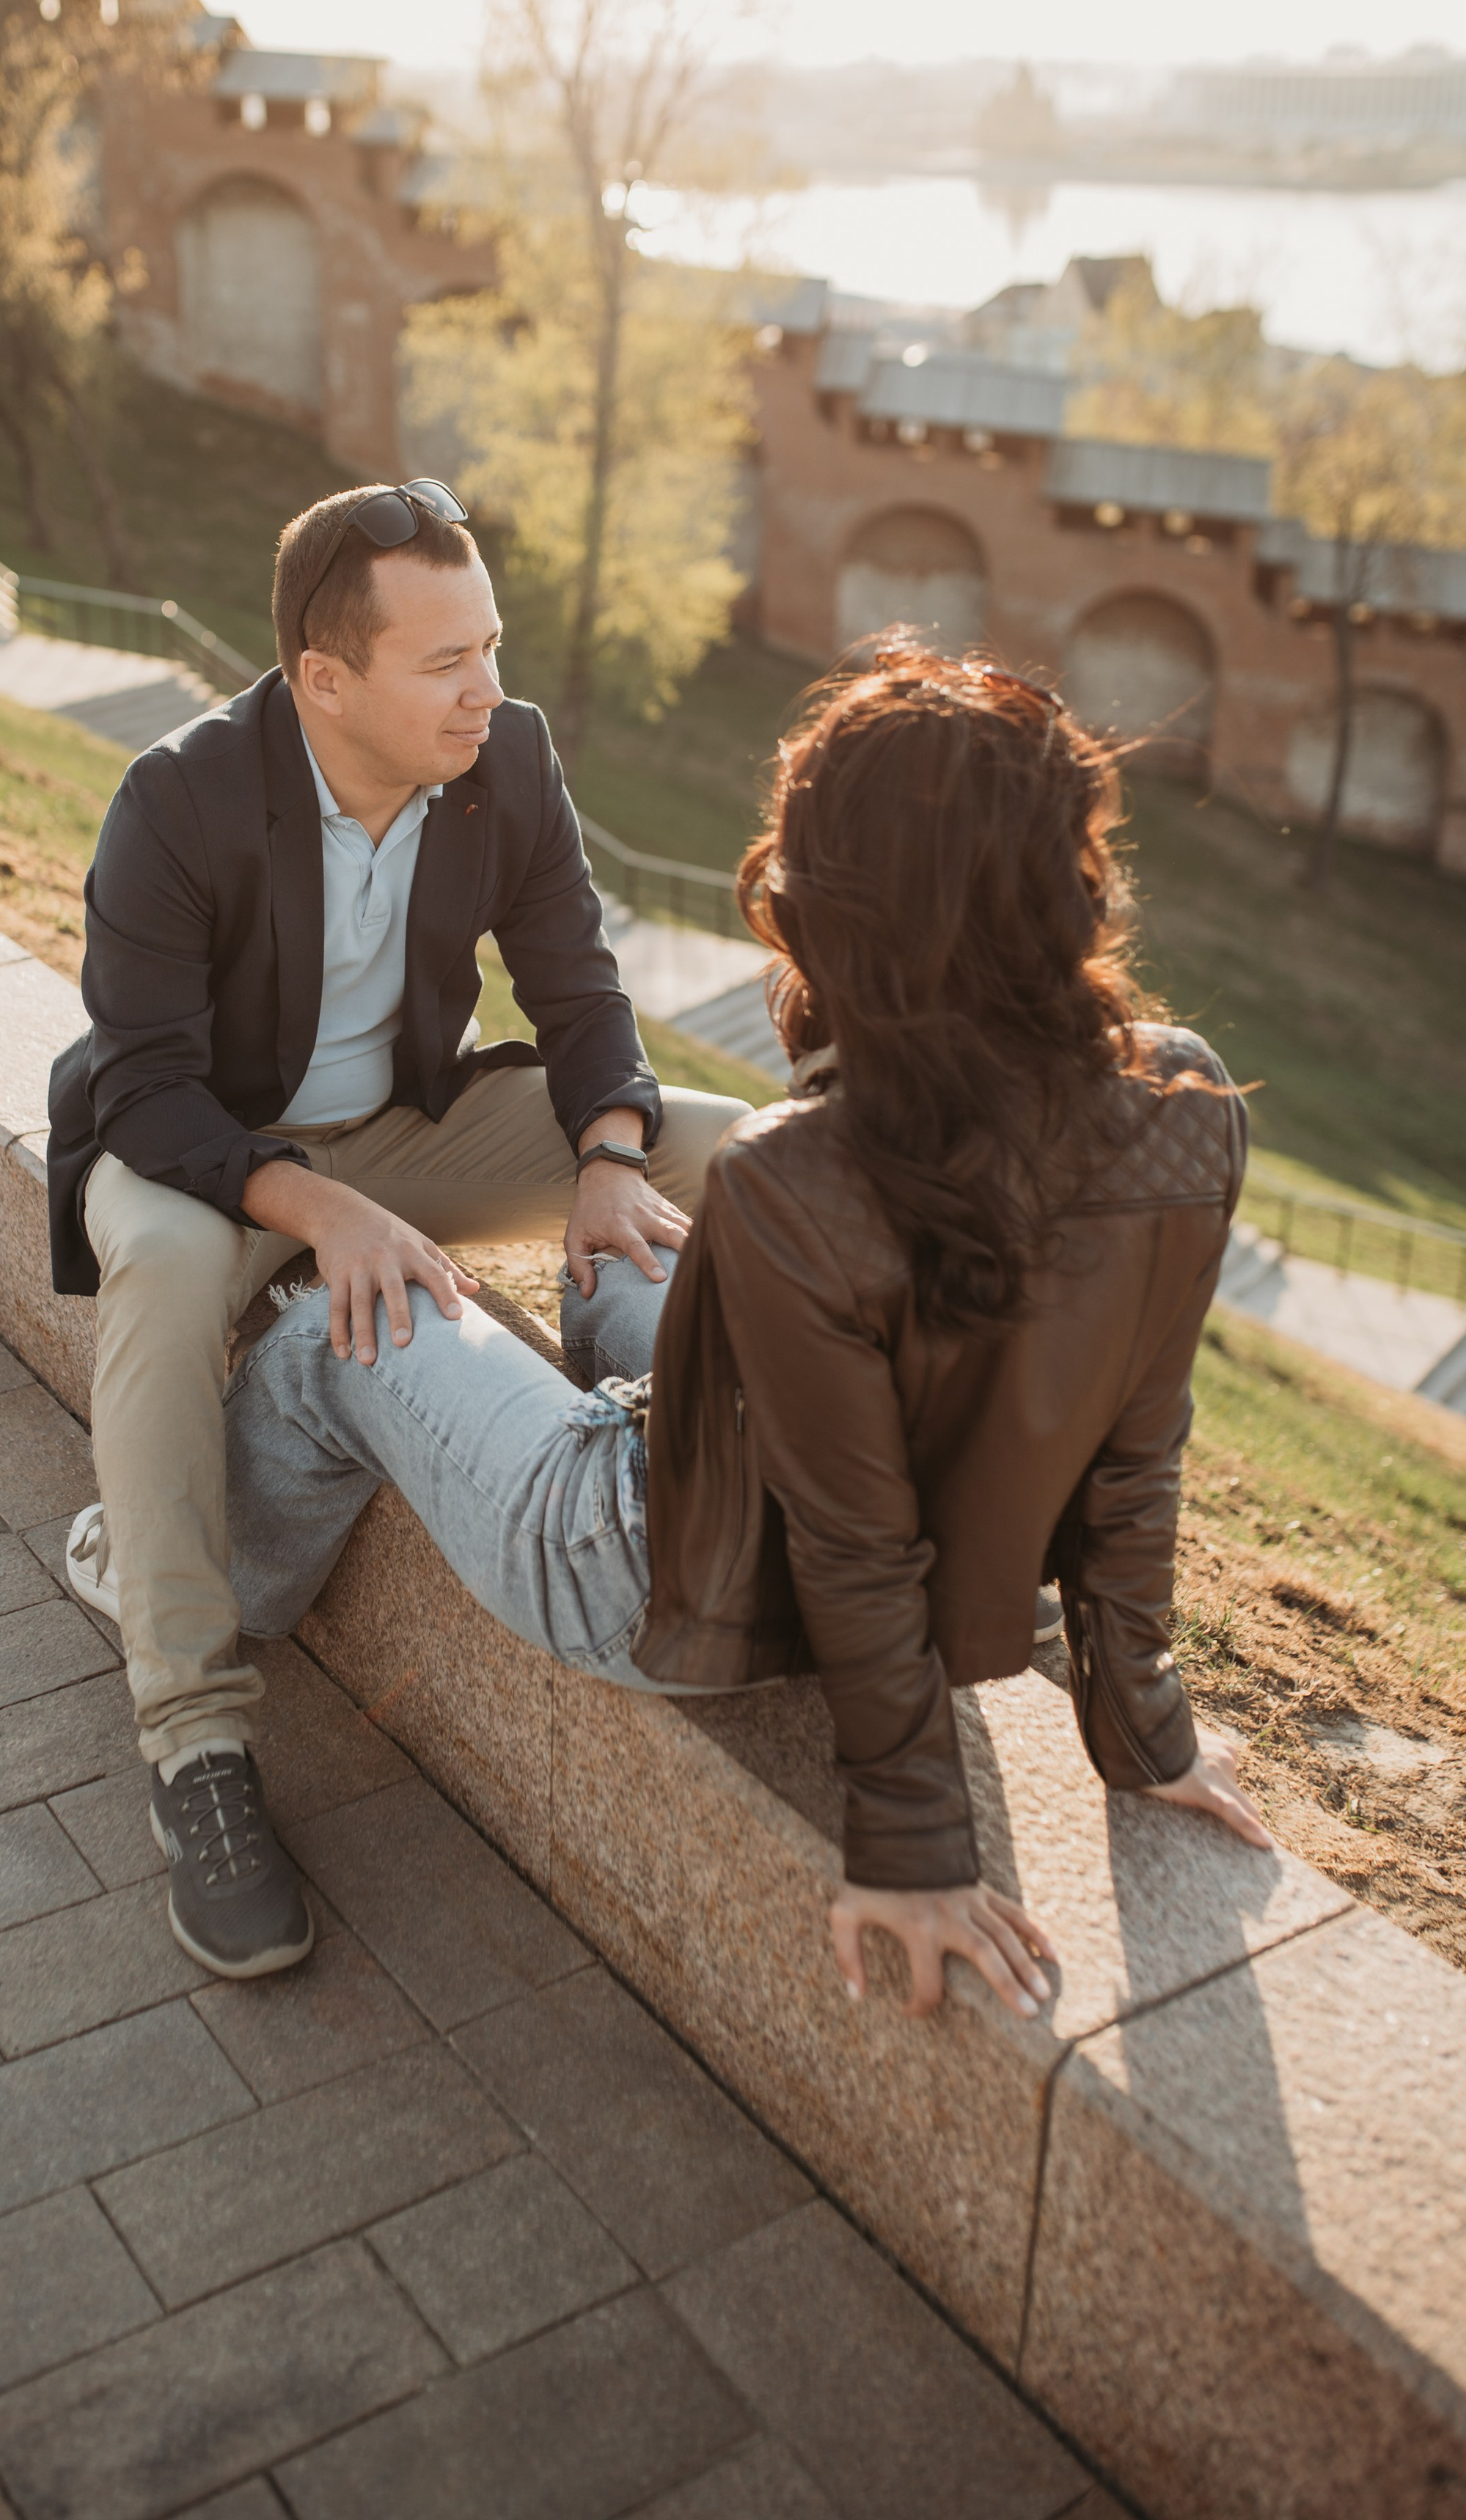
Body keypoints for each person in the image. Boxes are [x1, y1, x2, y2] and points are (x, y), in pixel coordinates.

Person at [221, 637, 1274, 2021]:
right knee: (621, 1246)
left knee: (353, 1311)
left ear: (836, 899)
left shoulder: (799, 1170)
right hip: (868, 1530)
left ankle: (200, 1582)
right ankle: (564, 1345)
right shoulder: (1188, 1107)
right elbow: (1140, 1446)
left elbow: (854, 1538)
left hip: (639, 1569)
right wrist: (1143, 1733)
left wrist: (913, 1850)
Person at [48, 477, 748, 1980]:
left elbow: (576, 984)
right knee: (163, 1279)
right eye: (447, 662)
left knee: (739, 1152)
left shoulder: (510, 758)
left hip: (420, 1128)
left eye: (490, 645)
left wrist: (613, 1155)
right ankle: (193, 1740)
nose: (486, 691)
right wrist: (312, 1204)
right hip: (207, 1152)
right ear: (324, 679)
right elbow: (144, 1088)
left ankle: (741, 1429)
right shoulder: (175, 799)